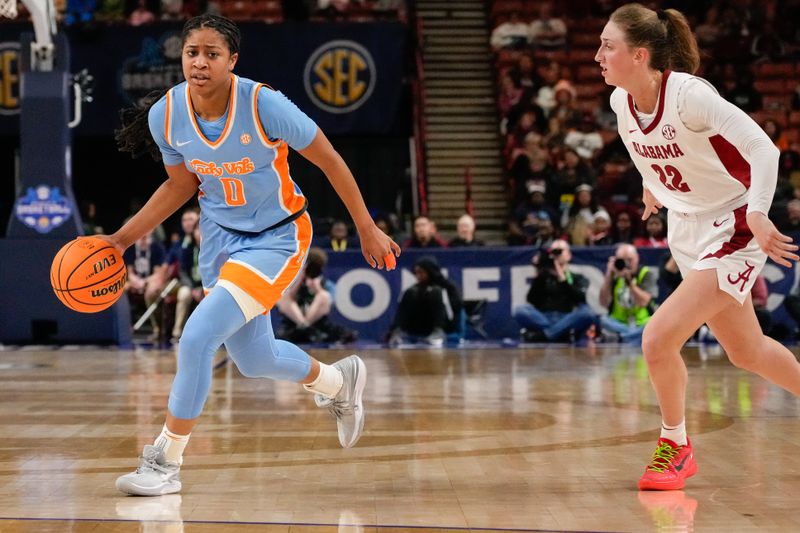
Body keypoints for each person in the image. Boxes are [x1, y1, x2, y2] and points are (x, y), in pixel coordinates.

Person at [104, 14, 399, 496]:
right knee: (255, 359)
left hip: (276, 237)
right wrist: (119, 240)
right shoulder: (166, 115)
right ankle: (336, 382)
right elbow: (181, 185)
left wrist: (367, 226)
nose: (199, 62)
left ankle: (165, 461)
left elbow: (329, 159)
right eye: (191, 53)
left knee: (197, 337)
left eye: (211, 54)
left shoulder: (264, 104)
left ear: (232, 60)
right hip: (219, 237)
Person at [596, 3, 800, 491]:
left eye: (608, 45)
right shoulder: (622, 103)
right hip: (686, 228)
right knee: (747, 351)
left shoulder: (688, 96)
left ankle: (676, 446)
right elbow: (647, 153)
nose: (597, 54)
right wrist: (652, 186)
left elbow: (763, 149)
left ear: (640, 55)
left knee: (657, 338)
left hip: (733, 224)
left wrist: (757, 212)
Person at [512, 239, 595, 343]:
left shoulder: (577, 277)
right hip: (544, 317)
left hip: (566, 317)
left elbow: (580, 298)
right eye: (554, 251)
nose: (557, 255)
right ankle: (560, 333)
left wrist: (563, 279)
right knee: (520, 310)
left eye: (560, 251)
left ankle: (546, 335)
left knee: (587, 312)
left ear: (568, 255)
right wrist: (539, 274)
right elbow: (532, 300)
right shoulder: (544, 277)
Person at [276, 247, 355, 344]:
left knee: (323, 296)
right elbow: (287, 300)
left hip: (315, 322)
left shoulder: (325, 284)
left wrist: (317, 289)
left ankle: (305, 325)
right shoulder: (295, 280)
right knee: (284, 296)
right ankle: (303, 325)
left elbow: (330, 303)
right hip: (294, 321)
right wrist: (300, 280)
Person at [388, 256, 462, 347]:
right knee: (410, 292)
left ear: (430, 271)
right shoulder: (414, 289)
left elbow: (457, 308)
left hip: (444, 325)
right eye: (416, 273)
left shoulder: (448, 287)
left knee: (435, 291)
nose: (418, 276)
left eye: (421, 272)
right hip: (418, 326)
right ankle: (398, 332)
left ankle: (438, 332)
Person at [598, 243, 657, 344]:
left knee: (655, 323)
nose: (626, 264)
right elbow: (603, 302)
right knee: (603, 320)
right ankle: (632, 336)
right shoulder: (614, 276)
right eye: (622, 260)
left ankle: (623, 337)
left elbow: (644, 302)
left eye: (630, 260)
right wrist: (609, 275)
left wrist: (629, 283)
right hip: (619, 323)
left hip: (641, 323)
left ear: (637, 258)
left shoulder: (645, 273)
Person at [123, 230, 169, 341]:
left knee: (151, 292)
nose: (143, 238)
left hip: (151, 280)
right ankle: (124, 327)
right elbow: (129, 272)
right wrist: (136, 281)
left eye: (146, 235)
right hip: (135, 281)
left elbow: (158, 273)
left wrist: (144, 282)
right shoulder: (131, 248)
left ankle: (157, 329)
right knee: (120, 291)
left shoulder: (157, 248)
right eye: (141, 236)